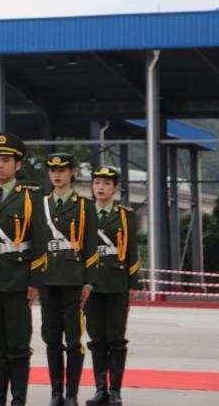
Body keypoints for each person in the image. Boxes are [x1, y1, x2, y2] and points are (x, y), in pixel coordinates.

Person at [0, 133, 44, 406]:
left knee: (17, 345)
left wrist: (35, 282)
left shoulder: (30, 197)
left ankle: (18, 399)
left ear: (17, 164)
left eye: (5, 160)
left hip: (17, 279)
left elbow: (40, 242)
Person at [35, 153, 97, 406]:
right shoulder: (41, 205)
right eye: (53, 171)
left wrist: (88, 281)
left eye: (62, 170)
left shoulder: (84, 206)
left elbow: (91, 247)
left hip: (73, 279)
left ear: (71, 172)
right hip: (48, 278)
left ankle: (71, 393)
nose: (57, 175)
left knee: (73, 339)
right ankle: (56, 392)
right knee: (51, 339)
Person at [84, 167, 142, 406]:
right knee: (97, 339)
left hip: (117, 284)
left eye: (106, 183)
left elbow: (132, 251)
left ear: (115, 188)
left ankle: (115, 390)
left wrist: (133, 283)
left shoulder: (125, 215)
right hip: (91, 285)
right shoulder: (85, 213)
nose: (101, 187)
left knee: (116, 339)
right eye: (97, 182)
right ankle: (101, 389)